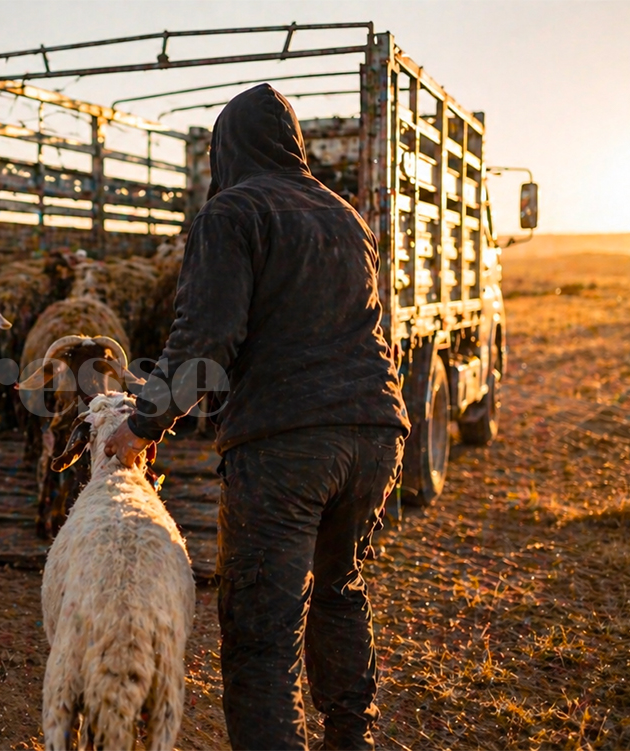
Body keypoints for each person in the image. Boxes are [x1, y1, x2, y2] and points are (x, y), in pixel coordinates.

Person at [104, 84, 409, 750]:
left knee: (260, 629)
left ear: (227, 147)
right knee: (336, 585)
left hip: (285, 445)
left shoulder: (232, 212)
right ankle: (350, 738)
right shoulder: (346, 217)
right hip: (376, 434)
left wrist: (146, 422)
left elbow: (205, 337)